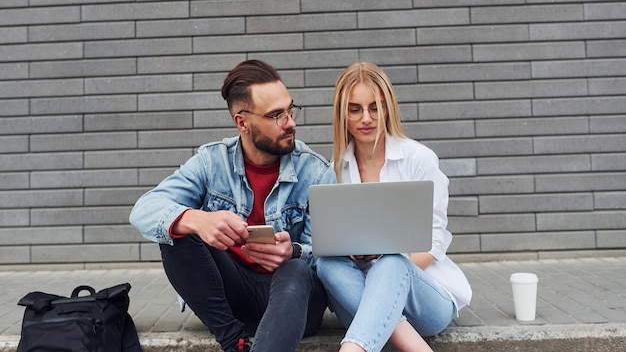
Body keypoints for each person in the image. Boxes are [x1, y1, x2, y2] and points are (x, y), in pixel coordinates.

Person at [129, 59, 336, 352]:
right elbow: (144, 209)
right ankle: (235, 343)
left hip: (296, 303)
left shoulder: (315, 171)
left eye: (290, 110)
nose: (290, 122)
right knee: (179, 229)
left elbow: (332, 254)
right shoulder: (212, 162)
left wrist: (295, 251)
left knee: (297, 270)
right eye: (276, 115)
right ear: (242, 122)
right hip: (233, 299)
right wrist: (196, 219)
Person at [316, 62, 472, 352]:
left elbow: (434, 244)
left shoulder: (419, 159)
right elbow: (333, 242)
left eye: (375, 107)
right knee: (326, 263)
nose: (366, 118)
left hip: (425, 297)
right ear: (342, 115)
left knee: (390, 263)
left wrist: (385, 279)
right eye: (355, 109)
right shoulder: (334, 170)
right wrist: (352, 252)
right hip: (361, 297)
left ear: (387, 109)